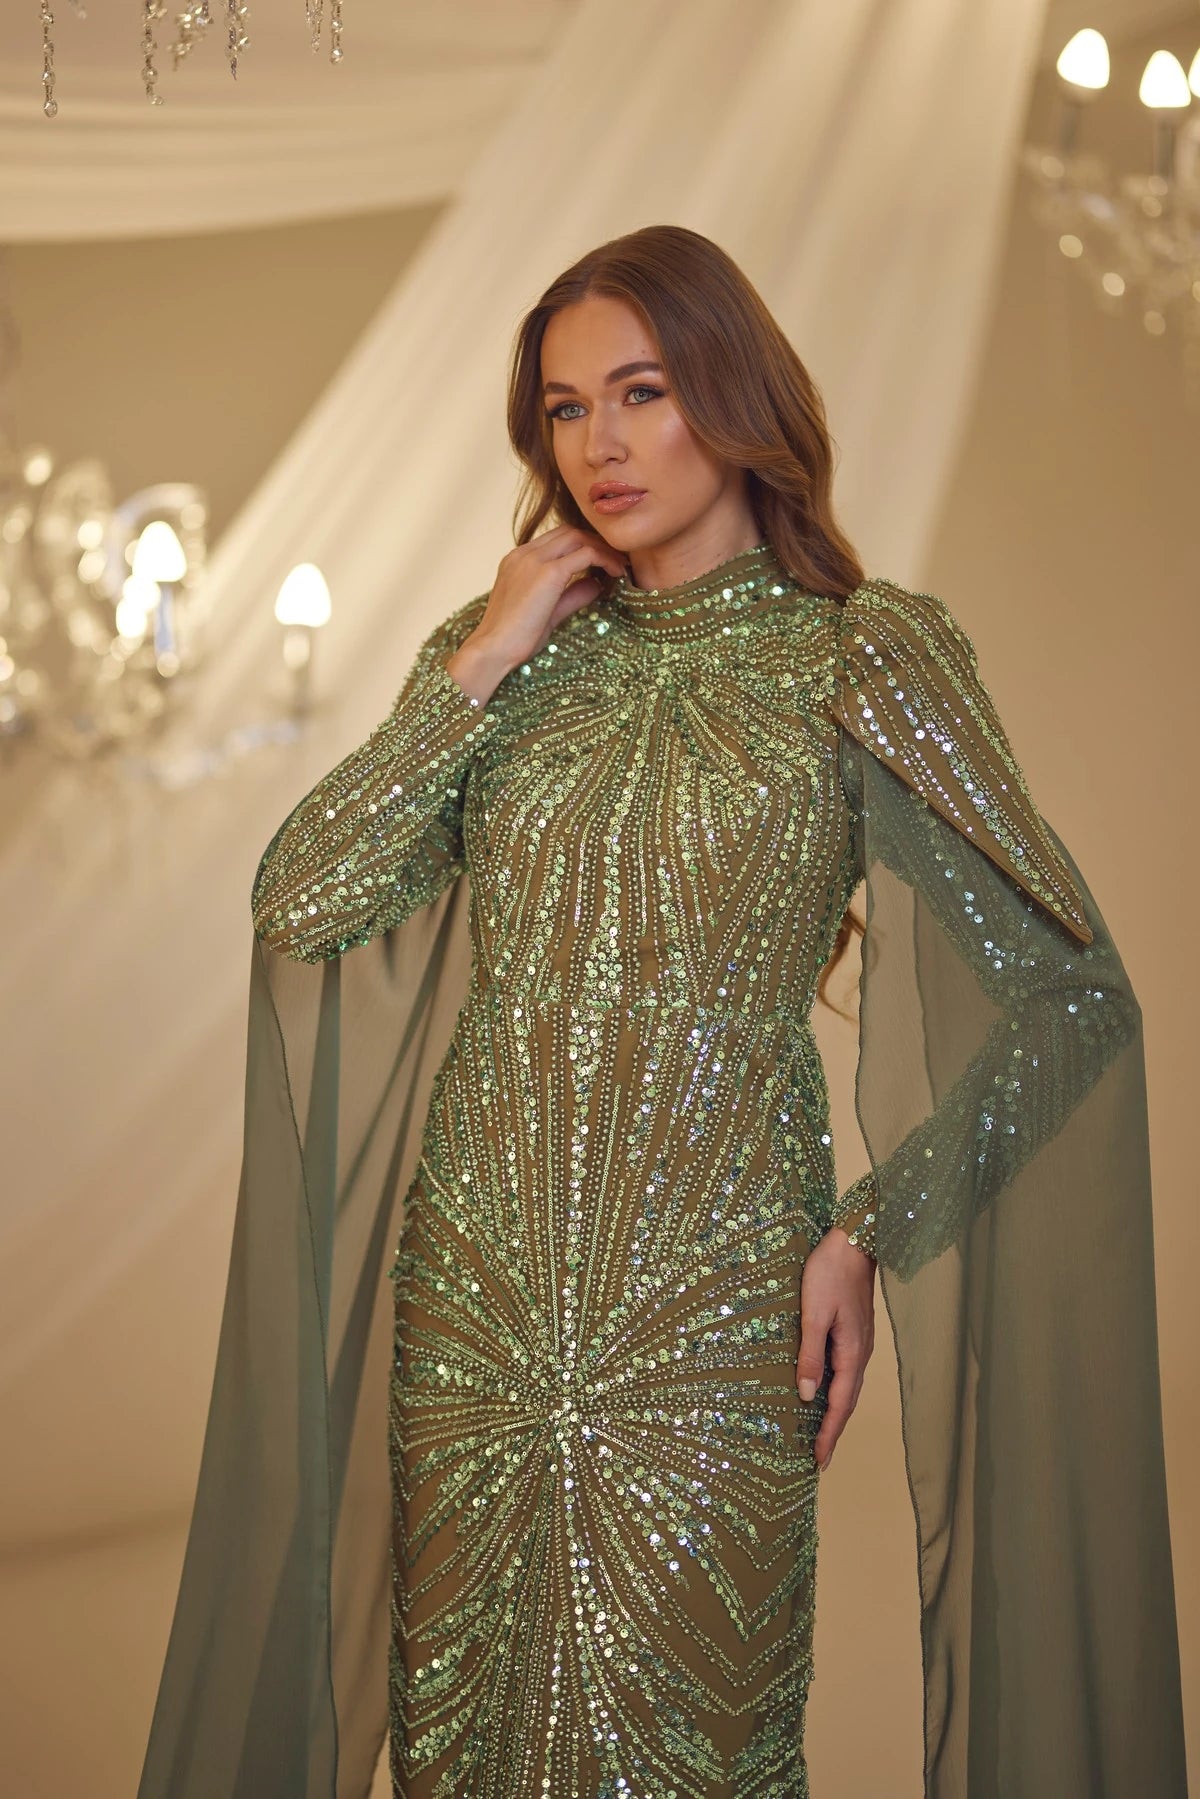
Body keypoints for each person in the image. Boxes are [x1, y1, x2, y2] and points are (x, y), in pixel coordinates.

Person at [137, 225, 1187, 1799]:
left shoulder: (863, 655)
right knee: (465, 1742)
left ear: (734, 392)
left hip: (714, 1309)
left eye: (641, 392)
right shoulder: (509, 657)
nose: (601, 445)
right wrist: (486, 654)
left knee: (689, 1745)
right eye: (566, 409)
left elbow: (1069, 996)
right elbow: (304, 899)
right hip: (477, 1305)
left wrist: (872, 1231)